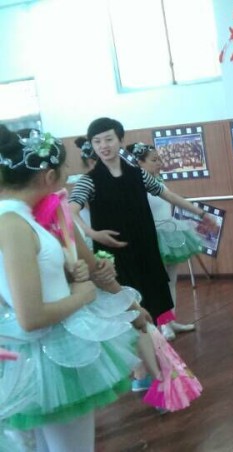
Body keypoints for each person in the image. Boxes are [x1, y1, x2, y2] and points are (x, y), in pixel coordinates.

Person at [0, 126, 142, 451]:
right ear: (49, 176)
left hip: (42, 351)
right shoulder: (13, 224)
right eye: (65, 169)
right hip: (49, 353)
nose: (68, 175)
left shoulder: (19, 220)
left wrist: (67, 274)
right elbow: (31, 316)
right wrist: (82, 294)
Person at [68, 118, 214, 328]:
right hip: (113, 255)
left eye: (108, 139)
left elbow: (168, 195)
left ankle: (158, 342)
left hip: (145, 248)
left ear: (120, 141)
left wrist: (201, 213)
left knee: (153, 304)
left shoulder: (138, 174)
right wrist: (91, 233)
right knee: (125, 311)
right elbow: (71, 210)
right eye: (97, 141)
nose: (103, 146)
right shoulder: (89, 180)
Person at [129, 142, 202, 340]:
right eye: (154, 160)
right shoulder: (136, 184)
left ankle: (171, 320)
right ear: (139, 162)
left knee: (172, 280)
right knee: (158, 283)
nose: (159, 163)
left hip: (169, 234)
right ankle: (161, 324)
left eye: (159, 159)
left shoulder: (158, 181)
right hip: (152, 237)